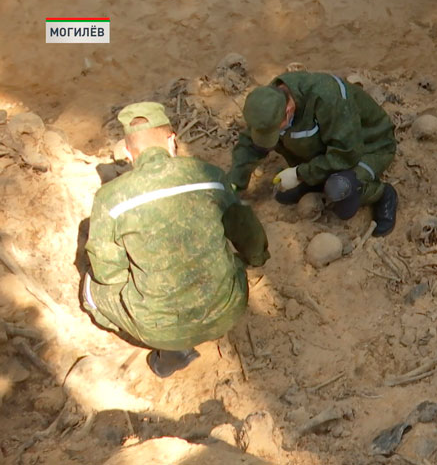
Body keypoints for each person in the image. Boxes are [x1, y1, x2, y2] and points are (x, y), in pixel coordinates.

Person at [83, 102, 270, 378]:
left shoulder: (110, 199)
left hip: (160, 328)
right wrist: (254, 259)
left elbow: (107, 273)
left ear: (127, 153)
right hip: (227, 309)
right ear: (172, 140)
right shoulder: (210, 177)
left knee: (90, 291)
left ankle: (173, 349)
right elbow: (250, 238)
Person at [228, 70, 398, 236]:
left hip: (368, 147)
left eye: (275, 130)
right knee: (283, 193)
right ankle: (316, 180)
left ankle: (382, 194)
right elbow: (250, 143)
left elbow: (346, 153)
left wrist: (299, 173)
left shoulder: (328, 98)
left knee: (340, 189)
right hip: (326, 148)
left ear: (288, 112)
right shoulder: (268, 104)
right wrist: (233, 184)